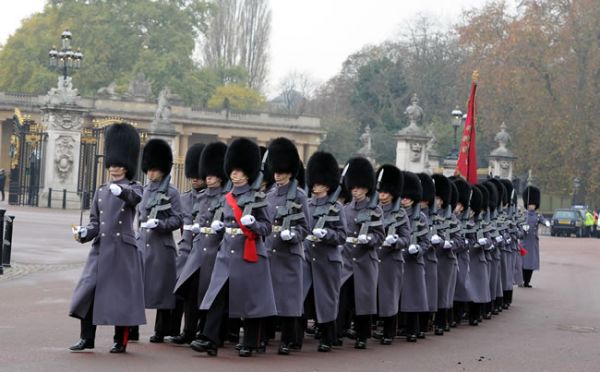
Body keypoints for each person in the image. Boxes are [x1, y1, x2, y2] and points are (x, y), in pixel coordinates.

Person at [193, 137, 277, 357]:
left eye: (239, 171)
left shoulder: (258, 198)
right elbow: (222, 222)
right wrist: (218, 227)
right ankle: (210, 339)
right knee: (216, 297)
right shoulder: (226, 197)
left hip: (249, 254)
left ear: (248, 173)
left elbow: (267, 228)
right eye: (233, 170)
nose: (234, 174)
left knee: (250, 301)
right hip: (226, 252)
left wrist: (254, 224)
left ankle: (250, 342)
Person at [68, 122, 145, 353]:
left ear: (127, 166)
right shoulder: (101, 190)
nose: (114, 169)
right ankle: (86, 338)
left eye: (119, 165)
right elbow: (95, 222)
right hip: (101, 248)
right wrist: (83, 233)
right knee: (88, 292)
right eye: (112, 165)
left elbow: (135, 199)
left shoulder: (135, 187)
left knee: (121, 296)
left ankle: (119, 340)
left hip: (122, 249)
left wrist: (121, 191)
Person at [264, 137, 310, 355]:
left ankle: (288, 340)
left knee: (289, 301)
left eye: (281, 172)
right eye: (276, 171)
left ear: (290, 172)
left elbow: (305, 227)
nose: (278, 175)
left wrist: (291, 234)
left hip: (289, 254)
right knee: (268, 298)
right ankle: (264, 337)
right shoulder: (270, 194)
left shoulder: (300, 196)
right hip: (270, 252)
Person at [137, 139, 183, 343]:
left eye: (155, 170)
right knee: (137, 289)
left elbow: (178, 219)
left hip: (161, 247)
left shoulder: (172, 192)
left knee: (163, 292)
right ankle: (132, 328)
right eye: (149, 170)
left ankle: (161, 330)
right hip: (143, 244)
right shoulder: (144, 190)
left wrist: (160, 224)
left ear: (163, 170)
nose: (151, 174)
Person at [337, 157, 384, 349]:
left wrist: (369, 240)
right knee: (342, 298)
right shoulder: (346, 209)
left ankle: (362, 335)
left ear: (366, 188)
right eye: (353, 187)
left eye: (358, 187)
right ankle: (338, 332)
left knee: (363, 300)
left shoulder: (375, 210)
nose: (355, 191)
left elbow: (379, 236)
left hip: (365, 260)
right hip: (347, 259)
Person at [184, 142, 228, 348]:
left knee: (212, 294)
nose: (207, 177)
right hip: (200, 250)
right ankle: (193, 331)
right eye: (206, 174)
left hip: (218, 252)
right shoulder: (202, 197)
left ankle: (210, 335)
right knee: (194, 292)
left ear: (220, 175)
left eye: (211, 175)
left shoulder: (228, 198)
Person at [302, 151, 347, 352]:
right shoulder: (306, 205)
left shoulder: (336, 208)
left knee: (327, 300)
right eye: (314, 182)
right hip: (307, 257)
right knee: (301, 298)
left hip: (327, 259)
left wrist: (326, 234)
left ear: (327, 185)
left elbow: (342, 236)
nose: (315, 186)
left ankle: (328, 337)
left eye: (319, 183)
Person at [171, 143, 205, 344]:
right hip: (185, 250)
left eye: (199, 175)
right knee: (180, 292)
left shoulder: (213, 198)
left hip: (203, 252)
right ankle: (178, 330)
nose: (195, 178)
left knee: (196, 294)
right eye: (193, 175)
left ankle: (194, 331)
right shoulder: (184, 198)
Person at [374, 165, 408, 345]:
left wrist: (395, 241)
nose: (382, 195)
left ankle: (389, 332)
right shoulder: (373, 209)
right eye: (381, 191)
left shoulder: (400, 213)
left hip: (391, 260)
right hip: (374, 258)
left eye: (386, 192)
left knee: (389, 297)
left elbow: (406, 239)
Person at [399, 171, 429, 342]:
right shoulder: (395, 214)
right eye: (403, 197)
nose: (404, 200)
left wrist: (417, 248)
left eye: (408, 197)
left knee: (413, 297)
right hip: (398, 259)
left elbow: (425, 242)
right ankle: (400, 327)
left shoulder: (421, 217)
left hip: (413, 261)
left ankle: (413, 329)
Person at [431, 174, 458, 335]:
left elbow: (459, 240)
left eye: (437, 198)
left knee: (443, 293)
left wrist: (450, 244)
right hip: (429, 257)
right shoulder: (426, 216)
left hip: (445, 259)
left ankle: (442, 322)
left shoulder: (451, 218)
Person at [417, 173, 437, 336]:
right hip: (413, 258)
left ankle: (427, 321)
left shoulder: (434, 216)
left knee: (427, 293)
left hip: (428, 257)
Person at [521, 185, 550, 287]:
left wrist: (547, 223)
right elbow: (518, 224)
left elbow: (544, 221)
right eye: (530, 204)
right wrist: (523, 227)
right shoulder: (523, 215)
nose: (531, 206)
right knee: (523, 262)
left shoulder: (538, 216)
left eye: (533, 204)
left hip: (533, 241)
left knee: (531, 262)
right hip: (524, 241)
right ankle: (522, 279)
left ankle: (527, 281)